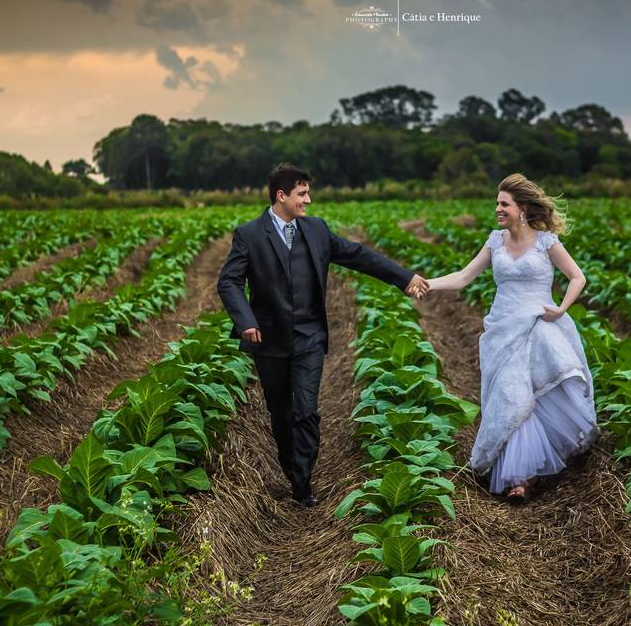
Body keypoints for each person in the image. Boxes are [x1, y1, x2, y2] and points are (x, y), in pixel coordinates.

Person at [217, 163, 429, 508]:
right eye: (302, 194)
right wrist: (246, 320)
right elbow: (228, 281)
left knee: (304, 409)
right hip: (267, 341)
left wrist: (403, 277)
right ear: (281, 196)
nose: (309, 200)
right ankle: (292, 470)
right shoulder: (249, 234)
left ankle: (303, 482)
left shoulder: (316, 231)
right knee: (281, 414)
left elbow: (359, 256)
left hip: (309, 337)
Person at [424, 173, 599, 503]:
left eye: (503, 204)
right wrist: (428, 283)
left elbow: (577, 277)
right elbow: (463, 277)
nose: (498, 209)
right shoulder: (495, 240)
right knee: (510, 397)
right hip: (503, 328)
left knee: (532, 395)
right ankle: (517, 472)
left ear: (521, 208)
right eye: (497, 203)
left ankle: (523, 477)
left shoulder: (546, 241)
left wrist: (561, 309)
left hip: (539, 326)